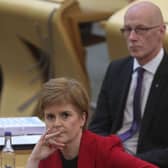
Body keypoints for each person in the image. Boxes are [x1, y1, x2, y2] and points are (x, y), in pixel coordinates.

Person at [89, 1, 168, 168]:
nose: (132, 37)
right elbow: (98, 126)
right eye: (127, 30)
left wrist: (130, 163)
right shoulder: (116, 69)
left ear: (161, 31)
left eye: (140, 29)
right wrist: (107, 153)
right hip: (110, 157)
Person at [26, 77, 158, 168]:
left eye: (65, 115)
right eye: (50, 117)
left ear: (82, 119)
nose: (57, 123)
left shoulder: (104, 150)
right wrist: (33, 160)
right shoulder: (47, 153)